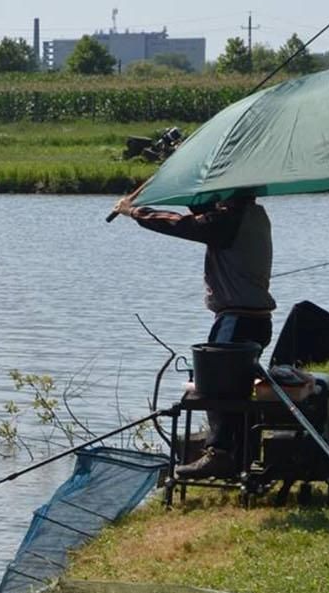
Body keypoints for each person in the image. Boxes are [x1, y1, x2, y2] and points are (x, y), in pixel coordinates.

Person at [113, 189, 275, 477]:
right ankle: (241, 456)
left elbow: (184, 224)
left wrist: (135, 211)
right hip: (251, 319)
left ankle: (221, 454)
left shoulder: (228, 221)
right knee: (236, 390)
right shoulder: (252, 214)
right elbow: (205, 212)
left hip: (238, 319)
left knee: (218, 391)